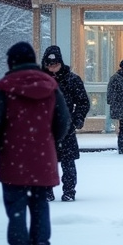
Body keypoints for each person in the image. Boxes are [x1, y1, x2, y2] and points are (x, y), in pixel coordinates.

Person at [0, 42, 70, 245]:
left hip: (13, 155)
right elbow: (63, 121)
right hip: (43, 155)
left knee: (16, 206)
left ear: (12, 61)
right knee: (40, 204)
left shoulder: (5, 86)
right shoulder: (50, 85)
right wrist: (49, 139)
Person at [41, 45, 89, 201]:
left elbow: (82, 102)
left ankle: (69, 191)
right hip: (44, 129)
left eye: (55, 64)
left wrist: (77, 119)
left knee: (68, 162)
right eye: (49, 65)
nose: (53, 68)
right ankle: (46, 191)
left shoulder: (72, 79)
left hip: (65, 128)